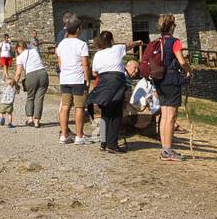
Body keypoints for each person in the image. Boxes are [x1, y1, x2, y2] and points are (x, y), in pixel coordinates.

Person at [143, 13, 191, 162]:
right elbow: (182, 62)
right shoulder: (174, 42)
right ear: (171, 26)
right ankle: (168, 151)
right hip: (171, 80)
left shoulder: (156, 42)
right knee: (171, 117)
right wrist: (189, 71)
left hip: (159, 80)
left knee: (164, 115)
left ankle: (165, 148)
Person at [89, 31, 142, 153]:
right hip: (116, 82)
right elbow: (129, 45)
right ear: (112, 40)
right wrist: (138, 42)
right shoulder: (117, 48)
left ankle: (104, 142)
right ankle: (112, 144)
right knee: (116, 114)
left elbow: (94, 73)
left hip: (103, 83)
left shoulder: (97, 54)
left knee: (105, 113)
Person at [55, 12, 91, 144]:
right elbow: (85, 64)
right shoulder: (81, 44)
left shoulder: (61, 44)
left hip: (65, 79)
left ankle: (64, 135)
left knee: (65, 106)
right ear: (78, 29)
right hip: (78, 79)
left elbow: (60, 62)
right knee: (79, 107)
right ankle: (79, 136)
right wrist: (87, 78)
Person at [13, 38, 49, 127]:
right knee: (39, 98)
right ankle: (37, 122)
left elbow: (18, 74)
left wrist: (13, 84)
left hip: (31, 75)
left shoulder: (20, 57)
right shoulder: (34, 51)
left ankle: (30, 119)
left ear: (18, 48)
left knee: (30, 97)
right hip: (43, 74)